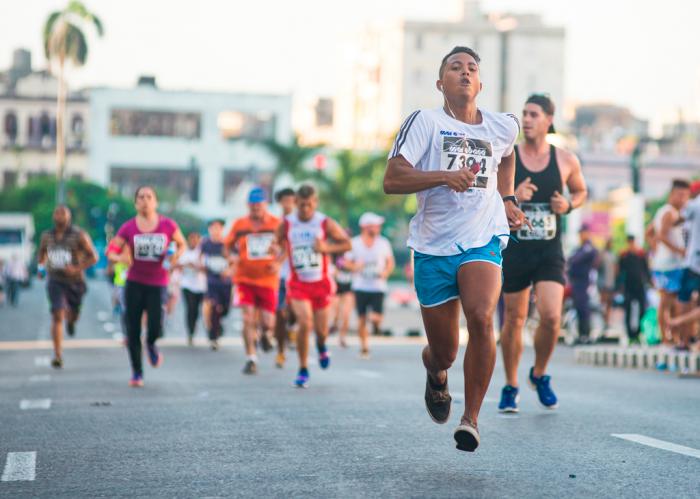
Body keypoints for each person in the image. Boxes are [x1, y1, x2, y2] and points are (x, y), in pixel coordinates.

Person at [382, 46, 527, 452]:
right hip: (432, 245)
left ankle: (471, 419)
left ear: (480, 84)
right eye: (455, 67)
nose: (464, 73)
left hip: (483, 238)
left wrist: (509, 197)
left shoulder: (501, 127)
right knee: (443, 350)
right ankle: (435, 371)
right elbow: (393, 180)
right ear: (440, 83)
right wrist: (445, 177)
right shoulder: (424, 122)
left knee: (482, 318)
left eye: (472, 68)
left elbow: (508, 155)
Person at [498, 94, 587, 413]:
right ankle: (510, 384)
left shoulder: (565, 159)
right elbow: (488, 198)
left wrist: (569, 204)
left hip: (549, 250)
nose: (527, 120)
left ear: (549, 119)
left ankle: (540, 373)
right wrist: (512, 196)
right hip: (516, 250)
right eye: (524, 114)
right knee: (515, 319)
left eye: (534, 114)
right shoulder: (508, 158)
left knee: (551, 317)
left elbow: (580, 190)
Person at [107, 186, 186, 387]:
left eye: (149, 197)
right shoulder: (128, 227)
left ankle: (151, 344)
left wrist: (176, 255)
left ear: (156, 202)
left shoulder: (168, 225)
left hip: (158, 283)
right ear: (136, 203)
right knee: (132, 329)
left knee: (156, 325)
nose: (145, 200)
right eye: (140, 197)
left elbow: (182, 244)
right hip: (134, 282)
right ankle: (137, 372)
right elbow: (111, 250)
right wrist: (120, 258)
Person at [275, 184, 351, 388]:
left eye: (309, 205)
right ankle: (302, 369)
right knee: (305, 321)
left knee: (321, 331)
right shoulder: (287, 223)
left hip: (321, 283)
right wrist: (275, 250)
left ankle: (321, 345)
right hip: (298, 283)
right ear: (295, 203)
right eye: (301, 205)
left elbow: (346, 244)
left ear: (315, 203)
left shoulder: (324, 222)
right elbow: (276, 241)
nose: (305, 209)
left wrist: (326, 247)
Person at [226, 187, 281, 374]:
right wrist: (231, 258)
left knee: (268, 322)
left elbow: (287, 246)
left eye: (259, 205)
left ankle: (266, 335)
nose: (256, 208)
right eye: (253, 205)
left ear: (266, 204)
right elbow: (227, 247)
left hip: (268, 279)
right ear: (248, 205)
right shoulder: (239, 224)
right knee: (247, 318)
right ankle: (251, 358)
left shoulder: (276, 224)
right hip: (244, 278)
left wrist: (279, 262)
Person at [36, 206, 98, 368]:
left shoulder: (79, 235)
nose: (59, 215)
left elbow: (94, 257)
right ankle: (58, 355)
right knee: (57, 314)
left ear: (69, 216)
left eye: (63, 213)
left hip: (75, 282)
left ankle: (71, 321)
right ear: (53, 216)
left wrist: (76, 268)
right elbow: (41, 254)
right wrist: (41, 268)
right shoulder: (46, 236)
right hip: (55, 280)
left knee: (73, 313)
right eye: (56, 212)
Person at [344, 212, 395, 358]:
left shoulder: (383, 243)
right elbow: (346, 262)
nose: (378, 228)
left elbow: (390, 262)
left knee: (375, 318)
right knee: (361, 319)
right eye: (375, 226)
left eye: (378, 226)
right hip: (360, 286)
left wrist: (385, 273)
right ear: (365, 227)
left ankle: (376, 325)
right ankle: (364, 346)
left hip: (378, 286)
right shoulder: (354, 243)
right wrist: (355, 267)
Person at [648, 179, 691, 344]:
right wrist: (681, 251)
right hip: (670, 265)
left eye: (686, 196)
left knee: (670, 302)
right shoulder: (669, 212)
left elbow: (649, 233)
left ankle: (670, 336)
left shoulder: (662, 211)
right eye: (680, 195)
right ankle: (667, 338)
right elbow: (661, 235)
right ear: (672, 194)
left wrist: (655, 251)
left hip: (663, 263)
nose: (683, 199)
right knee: (668, 303)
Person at [200, 219, 233, 351]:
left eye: (218, 228)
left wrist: (229, 270)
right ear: (209, 229)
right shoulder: (205, 243)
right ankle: (213, 337)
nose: (215, 230)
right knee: (214, 306)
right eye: (213, 228)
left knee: (223, 309)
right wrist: (201, 265)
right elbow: (200, 257)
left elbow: (235, 259)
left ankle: (218, 325)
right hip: (212, 280)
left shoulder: (227, 243)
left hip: (225, 282)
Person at [675, 180, 700, 349]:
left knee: (684, 300)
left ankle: (683, 340)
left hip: (693, 261)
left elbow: (677, 219)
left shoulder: (694, 205)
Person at [273, 187, 296, 367]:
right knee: (280, 312)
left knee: (297, 311)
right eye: (284, 200)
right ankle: (281, 351)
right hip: (279, 276)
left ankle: (293, 328)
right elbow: (271, 246)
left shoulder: (301, 222)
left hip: (298, 276)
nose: (288, 204)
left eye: (291, 200)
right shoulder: (275, 222)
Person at [567, 224, 599, 344]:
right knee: (578, 308)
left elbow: (576, 259)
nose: (581, 235)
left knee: (583, 308)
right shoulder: (579, 248)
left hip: (584, 282)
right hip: (576, 282)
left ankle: (585, 334)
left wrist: (574, 259)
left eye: (583, 233)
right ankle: (581, 334)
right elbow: (571, 260)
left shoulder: (588, 247)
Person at [617, 235, 651, 343]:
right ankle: (630, 335)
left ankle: (638, 332)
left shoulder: (640, 254)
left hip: (640, 285)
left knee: (642, 309)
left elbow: (646, 269)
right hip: (628, 286)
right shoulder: (624, 255)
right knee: (628, 310)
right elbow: (620, 271)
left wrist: (649, 281)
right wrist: (619, 285)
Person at [177, 231, 207, 345]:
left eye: (196, 239)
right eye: (191, 238)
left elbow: (207, 268)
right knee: (191, 309)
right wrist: (185, 265)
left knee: (200, 311)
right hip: (187, 285)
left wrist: (197, 266)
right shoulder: (184, 252)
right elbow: (176, 265)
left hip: (201, 286)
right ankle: (191, 332)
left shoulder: (203, 253)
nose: (193, 241)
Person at [330, 247, 354, 349]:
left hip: (348, 287)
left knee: (346, 314)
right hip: (336, 287)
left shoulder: (353, 254)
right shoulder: (333, 254)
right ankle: (334, 324)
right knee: (335, 313)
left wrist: (350, 265)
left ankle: (342, 337)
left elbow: (357, 266)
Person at [598, 239, 617, 329]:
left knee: (609, 303)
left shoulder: (613, 255)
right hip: (603, 282)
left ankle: (607, 321)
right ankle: (603, 319)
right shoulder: (602, 254)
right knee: (603, 302)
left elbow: (616, 269)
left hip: (611, 282)